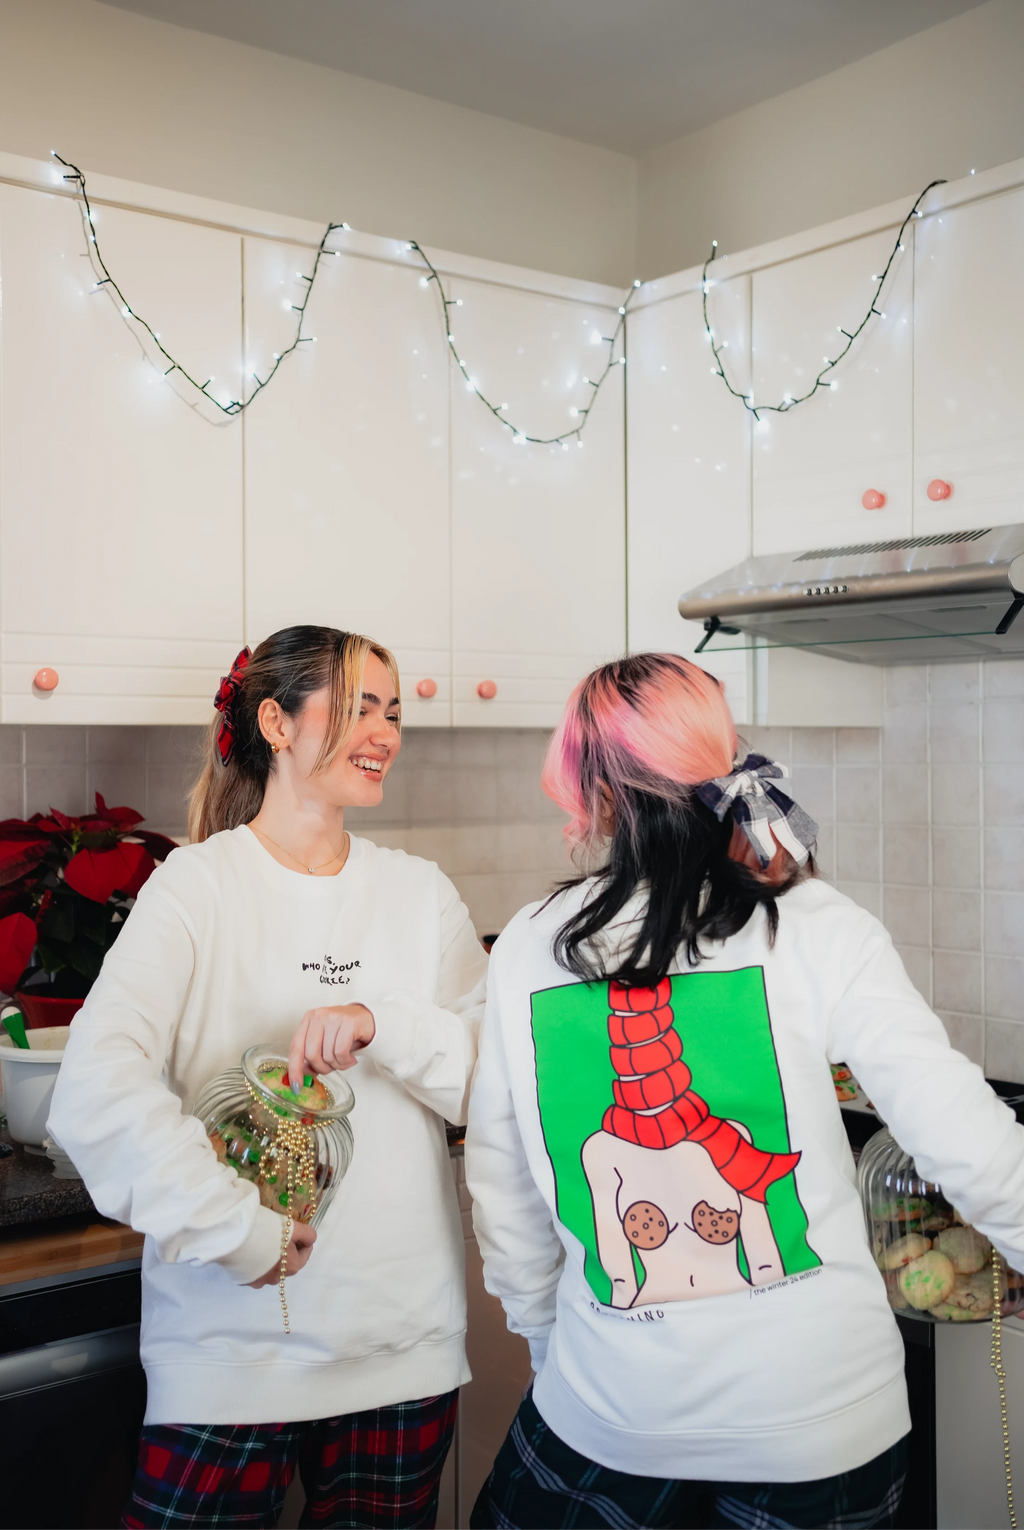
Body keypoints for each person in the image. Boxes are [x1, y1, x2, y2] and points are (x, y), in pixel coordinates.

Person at [466, 651, 1024, 1530]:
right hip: (824, 1427)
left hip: (606, 1412)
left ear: (599, 794)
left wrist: (549, 1341)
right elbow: (968, 1140)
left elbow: (504, 1184)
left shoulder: (530, 946)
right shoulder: (818, 925)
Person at [49, 626, 488, 1530]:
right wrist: (240, 1231)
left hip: (400, 1344)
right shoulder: (195, 888)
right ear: (276, 723)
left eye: (395, 711)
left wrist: (383, 1026)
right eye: (360, 706)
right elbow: (95, 1086)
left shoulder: (420, 893)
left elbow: (492, 1085)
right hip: (228, 1354)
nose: (386, 732)